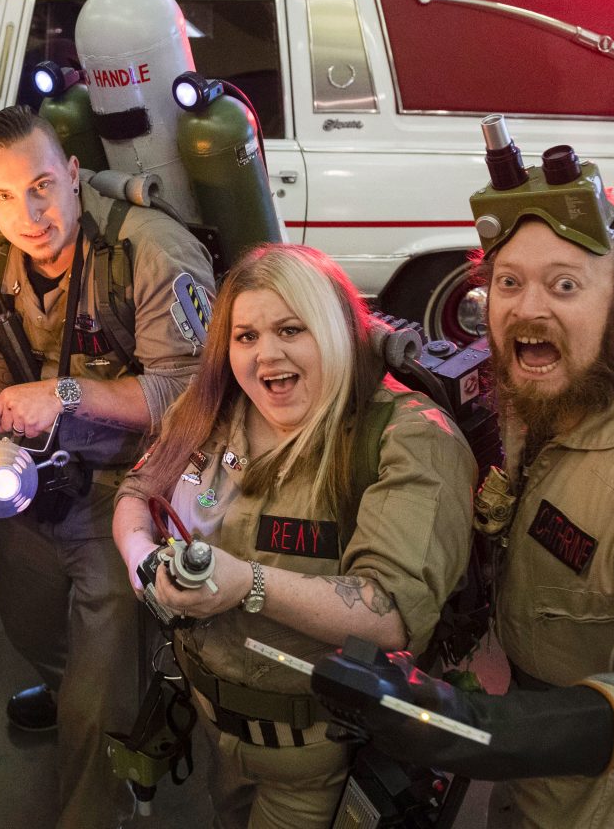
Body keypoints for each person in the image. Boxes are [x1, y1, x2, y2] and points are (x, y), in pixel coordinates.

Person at [347, 157, 614, 829]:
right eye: (509, 283)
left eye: (566, 284)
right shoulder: (553, 382)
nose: (528, 307)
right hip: (537, 743)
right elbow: (430, 363)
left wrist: (479, 728)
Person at [112, 244, 477, 829]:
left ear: (335, 330)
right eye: (246, 336)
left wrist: (245, 585)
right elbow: (137, 492)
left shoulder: (407, 439)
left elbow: (389, 615)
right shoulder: (213, 408)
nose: (266, 356)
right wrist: (142, 563)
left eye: (290, 329)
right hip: (212, 725)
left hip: (318, 754)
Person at [0, 105, 216, 828]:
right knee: (26, 624)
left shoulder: (150, 251)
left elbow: (190, 388)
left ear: (74, 175)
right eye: (5, 196)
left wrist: (64, 393)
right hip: (38, 480)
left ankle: (97, 799)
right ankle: (72, 682)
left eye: (43, 184)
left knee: (96, 703)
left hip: (126, 487)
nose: (30, 213)